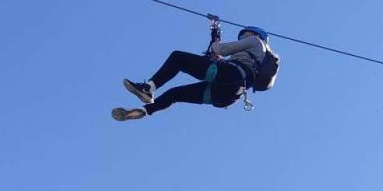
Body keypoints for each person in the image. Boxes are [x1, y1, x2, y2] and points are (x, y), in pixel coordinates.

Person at [112, 21, 270, 122]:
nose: (242, 37)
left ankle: (148, 89)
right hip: (229, 93)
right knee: (175, 94)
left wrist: (216, 43)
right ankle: (144, 111)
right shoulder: (254, 61)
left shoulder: (256, 41)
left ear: (254, 34)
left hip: (230, 76)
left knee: (178, 58)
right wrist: (215, 36)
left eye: (244, 34)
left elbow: (221, 49)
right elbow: (216, 58)